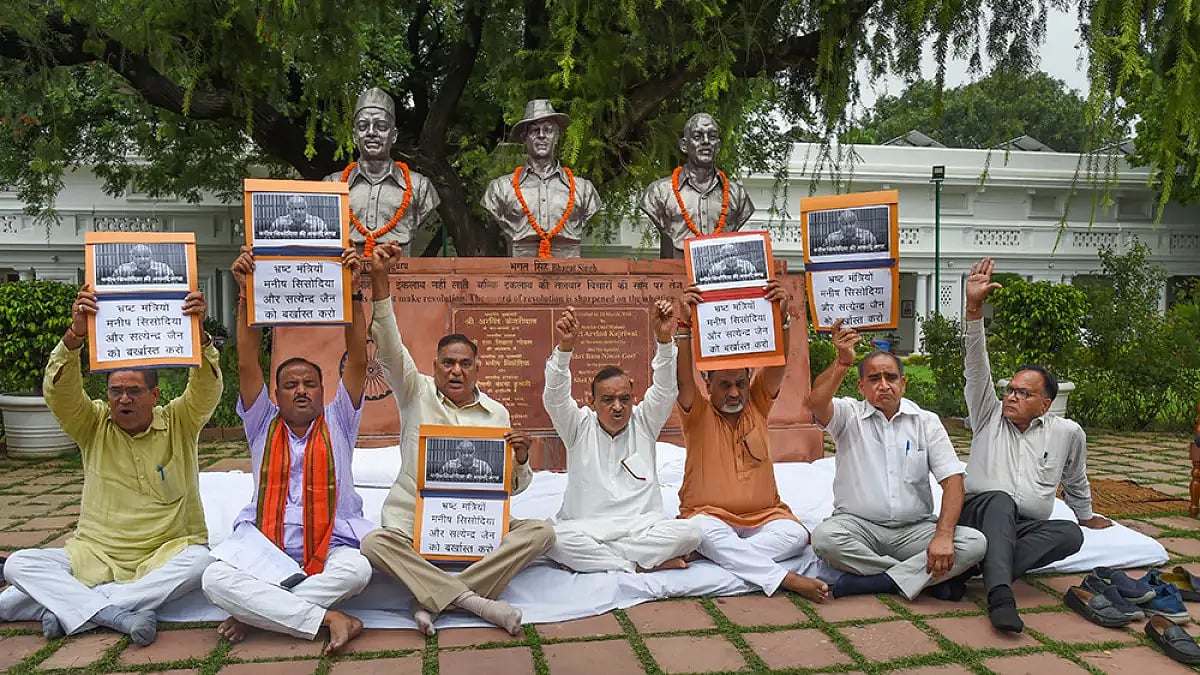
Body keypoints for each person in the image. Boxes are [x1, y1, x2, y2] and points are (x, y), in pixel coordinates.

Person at [0, 285, 220, 645]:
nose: (123, 399)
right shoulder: (93, 424)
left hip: (165, 552)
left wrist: (201, 337)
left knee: (202, 563)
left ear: (155, 395)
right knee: (18, 565)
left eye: (133, 390)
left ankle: (72, 608)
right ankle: (114, 613)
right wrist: (74, 337)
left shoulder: (181, 420)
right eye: (116, 391)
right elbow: (61, 394)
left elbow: (206, 389)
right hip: (95, 553)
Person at [359, 243, 555, 637]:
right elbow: (390, 343)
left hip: (475, 523)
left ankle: (431, 597)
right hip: (413, 521)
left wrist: (519, 459)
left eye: (465, 363)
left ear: (477, 369)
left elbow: (511, 489)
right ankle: (473, 602)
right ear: (434, 366)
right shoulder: (415, 391)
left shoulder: (497, 414)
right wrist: (380, 278)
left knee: (543, 532)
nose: (456, 370)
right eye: (447, 362)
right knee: (373, 544)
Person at [200, 246, 372, 652]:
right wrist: (246, 295)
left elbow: (361, 361)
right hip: (265, 545)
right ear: (274, 393)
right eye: (291, 384)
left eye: (309, 384)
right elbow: (246, 364)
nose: (300, 390)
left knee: (359, 571)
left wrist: (352, 292)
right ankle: (327, 617)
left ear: (324, 390)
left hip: (333, 542)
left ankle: (259, 614)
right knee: (212, 578)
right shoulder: (262, 421)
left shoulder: (339, 419)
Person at [960, 257, 1112, 633]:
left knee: (1069, 534)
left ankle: (966, 575)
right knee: (999, 500)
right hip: (978, 515)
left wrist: (1084, 514)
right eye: (1010, 389)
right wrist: (974, 310)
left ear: (1045, 403)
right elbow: (976, 365)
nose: (1010, 396)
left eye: (1022, 393)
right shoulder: (987, 414)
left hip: (1024, 526)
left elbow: (1075, 478)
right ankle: (1000, 597)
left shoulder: (1067, 433)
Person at [807, 319, 987, 602]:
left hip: (914, 530)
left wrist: (943, 535)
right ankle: (919, 581)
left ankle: (873, 581)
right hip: (859, 527)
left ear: (903, 383)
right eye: (874, 379)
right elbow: (816, 403)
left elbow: (952, 480)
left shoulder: (926, 422)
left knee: (974, 543)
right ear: (861, 386)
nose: (884, 385)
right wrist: (842, 361)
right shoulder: (848, 415)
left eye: (890, 378)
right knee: (824, 539)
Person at [674, 281, 829, 602]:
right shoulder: (697, 413)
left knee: (796, 535)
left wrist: (781, 320)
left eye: (741, 384)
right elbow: (682, 379)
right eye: (726, 385)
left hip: (765, 517)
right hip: (707, 516)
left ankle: (721, 558)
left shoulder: (757, 403)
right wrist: (684, 327)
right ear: (709, 385)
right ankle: (785, 579)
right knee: (699, 531)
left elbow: (777, 366)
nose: (734, 393)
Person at [543, 304, 702, 574]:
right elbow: (554, 397)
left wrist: (664, 341)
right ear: (591, 401)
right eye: (608, 400)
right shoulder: (578, 426)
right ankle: (636, 567)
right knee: (554, 540)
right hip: (585, 527)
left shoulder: (644, 422)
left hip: (640, 528)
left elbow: (665, 388)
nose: (617, 407)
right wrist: (565, 349)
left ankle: (608, 561)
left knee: (692, 533)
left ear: (633, 399)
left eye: (624, 399)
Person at [325, 88, 440, 257]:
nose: (371, 133)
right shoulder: (331, 185)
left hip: (401, 278)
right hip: (349, 275)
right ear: (355, 135)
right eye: (363, 126)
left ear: (393, 136)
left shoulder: (420, 186)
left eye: (381, 126)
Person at [481, 99, 601, 258]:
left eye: (548, 130)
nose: (542, 135)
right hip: (521, 272)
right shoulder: (500, 189)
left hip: (569, 274)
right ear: (524, 138)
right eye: (534, 130)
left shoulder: (584, 189)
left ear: (557, 137)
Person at [640, 113, 755, 259]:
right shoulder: (658, 192)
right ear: (684, 145)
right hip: (676, 272)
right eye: (697, 136)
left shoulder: (738, 194)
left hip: (721, 273)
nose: (706, 142)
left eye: (712, 137)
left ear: (718, 146)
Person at [268, 196, 334, 238]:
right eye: (294, 209)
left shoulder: (318, 223)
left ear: (306, 209)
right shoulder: (279, 222)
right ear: (289, 210)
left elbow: (328, 241)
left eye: (301, 208)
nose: (298, 212)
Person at [108, 244, 176, 283]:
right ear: (133, 257)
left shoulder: (163, 268)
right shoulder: (122, 269)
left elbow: (175, 284)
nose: (142, 260)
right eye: (138, 256)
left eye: (146, 256)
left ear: (151, 256)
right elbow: (110, 284)